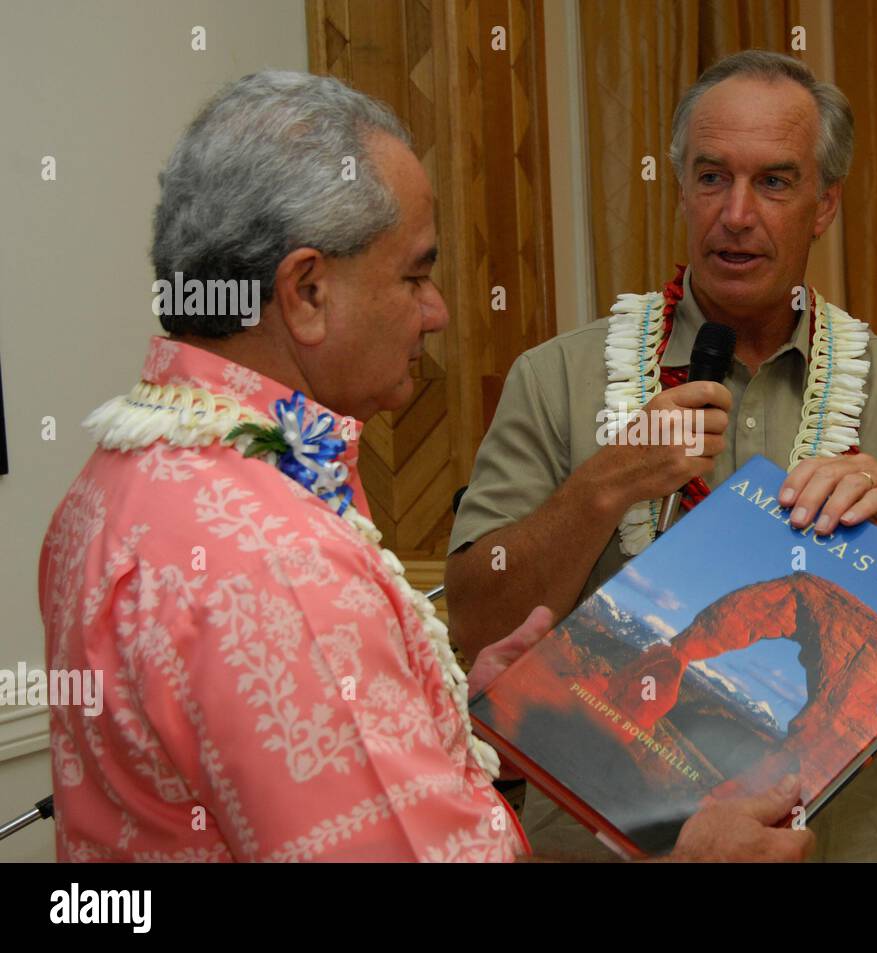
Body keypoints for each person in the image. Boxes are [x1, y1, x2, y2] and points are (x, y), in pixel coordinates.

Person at [38, 70, 811, 863]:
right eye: (414, 274)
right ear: (306, 291)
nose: (436, 310)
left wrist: (443, 708)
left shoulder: (118, 478)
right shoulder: (279, 563)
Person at [446, 50, 877, 862]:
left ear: (824, 204)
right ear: (680, 188)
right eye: (711, 178)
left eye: (774, 182)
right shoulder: (558, 377)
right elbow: (474, 615)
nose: (736, 214)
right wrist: (603, 487)